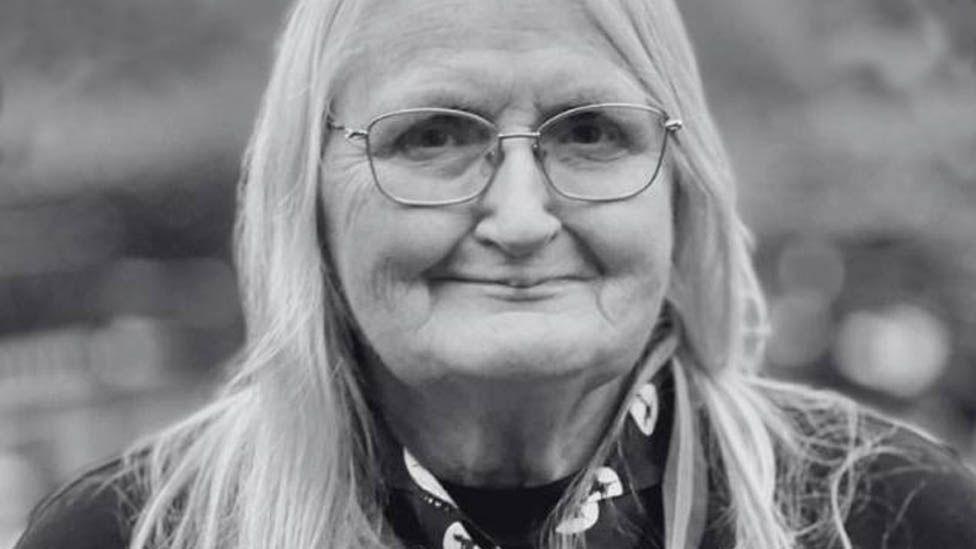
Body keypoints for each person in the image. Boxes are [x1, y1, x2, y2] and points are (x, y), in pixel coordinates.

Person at [15, 1, 976, 548]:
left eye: (593, 133)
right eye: (431, 136)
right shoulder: (124, 538)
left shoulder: (890, 519)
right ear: (304, 191)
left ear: (680, 189)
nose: (520, 219)